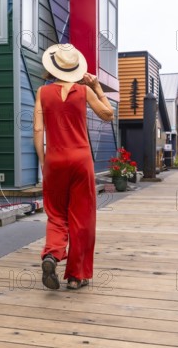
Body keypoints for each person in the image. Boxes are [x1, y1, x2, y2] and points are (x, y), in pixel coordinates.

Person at [33, 43, 114, 290]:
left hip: (55, 160)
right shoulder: (84, 91)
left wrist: (43, 161)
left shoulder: (42, 93)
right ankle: (77, 276)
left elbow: (38, 129)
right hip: (81, 161)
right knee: (82, 217)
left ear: (52, 68)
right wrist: (97, 87)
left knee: (56, 214)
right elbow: (108, 114)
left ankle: (52, 254)